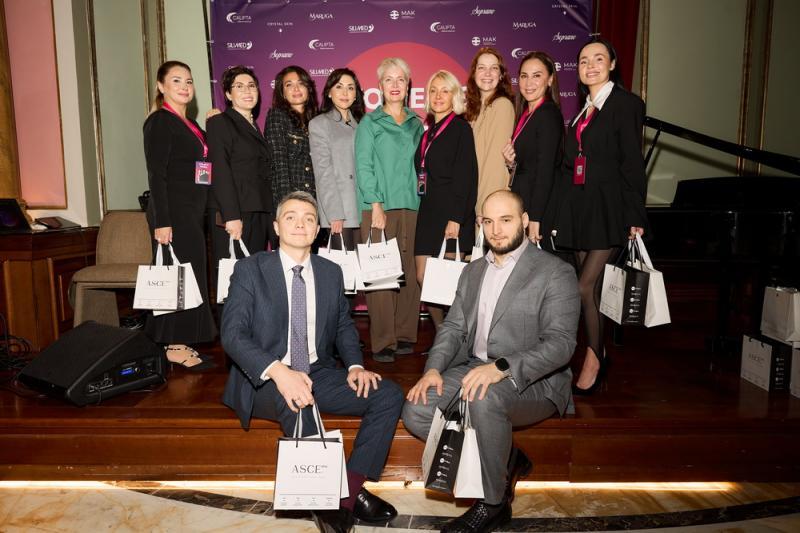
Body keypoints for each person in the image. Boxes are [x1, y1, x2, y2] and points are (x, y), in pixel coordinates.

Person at [221, 191, 404, 532]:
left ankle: (347, 493)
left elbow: (344, 325)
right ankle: (327, 505)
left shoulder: (330, 271)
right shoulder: (250, 270)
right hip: (263, 378)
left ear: (317, 230)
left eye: (308, 219)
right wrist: (279, 371)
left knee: (388, 394)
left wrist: (355, 366)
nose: (299, 224)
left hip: (317, 371)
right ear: (277, 227)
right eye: (290, 217)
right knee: (297, 399)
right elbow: (232, 335)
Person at [403, 190, 580, 533]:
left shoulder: (555, 272)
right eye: (488, 221)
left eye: (506, 220)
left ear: (524, 221)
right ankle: (506, 457)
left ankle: (494, 503)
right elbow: (454, 328)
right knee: (417, 410)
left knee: (483, 398)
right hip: (476, 367)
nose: (496, 230)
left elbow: (561, 345)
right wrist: (433, 370)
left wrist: (502, 368)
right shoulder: (472, 271)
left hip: (535, 380)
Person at [541, 38, 648, 395]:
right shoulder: (582, 111)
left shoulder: (626, 104)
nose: (590, 65)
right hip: (580, 210)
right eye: (584, 60)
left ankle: (594, 358)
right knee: (594, 290)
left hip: (608, 209)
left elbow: (632, 163)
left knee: (583, 286)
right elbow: (569, 164)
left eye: (598, 59)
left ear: (612, 64)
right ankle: (597, 350)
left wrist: (635, 215)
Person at [143, 60, 217, 368]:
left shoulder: (192, 126)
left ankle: (184, 340)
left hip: (191, 212)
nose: (184, 87)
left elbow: (203, 166)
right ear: (161, 86)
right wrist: (162, 222)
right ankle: (172, 345)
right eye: (176, 81)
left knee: (191, 276)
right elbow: (156, 174)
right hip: (171, 212)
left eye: (188, 81)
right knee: (176, 277)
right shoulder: (160, 121)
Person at [355, 57, 424, 363]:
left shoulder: (417, 123)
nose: (395, 85)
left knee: (409, 273)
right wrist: (375, 204)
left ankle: (406, 334)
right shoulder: (370, 123)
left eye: (401, 79)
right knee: (381, 276)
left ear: (408, 85)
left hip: (414, 206)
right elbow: (364, 166)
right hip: (379, 208)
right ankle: (384, 340)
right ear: (380, 85)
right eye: (388, 79)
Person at [414, 70, 478, 327]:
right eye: (433, 90)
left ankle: (454, 338)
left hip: (451, 214)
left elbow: (466, 177)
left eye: (445, 91)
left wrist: (456, 218)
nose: (438, 96)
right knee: (424, 277)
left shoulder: (461, 129)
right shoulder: (428, 133)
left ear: (455, 96)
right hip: (428, 212)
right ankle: (445, 335)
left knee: (449, 284)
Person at [206, 65, 272, 283]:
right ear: (228, 94)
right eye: (239, 86)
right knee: (233, 281)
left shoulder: (253, 126)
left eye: (251, 86)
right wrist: (231, 216)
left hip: (257, 211)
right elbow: (220, 171)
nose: (247, 91)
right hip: (235, 214)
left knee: (253, 279)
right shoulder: (219, 122)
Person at [501, 51, 564, 244]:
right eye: (524, 76)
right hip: (524, 200)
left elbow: (545, 170)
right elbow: (529, 163)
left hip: (539, 208)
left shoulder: (547, 114)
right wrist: (511, 163)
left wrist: (536, 217)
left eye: (537, 76)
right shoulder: (526, 114)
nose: (529, 83)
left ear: (550, 80)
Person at [309, 68, 365, 251]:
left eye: (350, 88)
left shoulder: (363, 125)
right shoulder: (320, 124)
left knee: (368, 267)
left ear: (356, 95)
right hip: (341, 211)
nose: (345, 92)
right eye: (339, 87)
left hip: (364, 208)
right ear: (329, 92)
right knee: (344, 267)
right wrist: (334, 213)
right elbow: (323, 172)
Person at [464, 48, 515, 222]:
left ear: (501, 75)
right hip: (475, 199)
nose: (487, 73)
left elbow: (495, 163)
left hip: (490, 205)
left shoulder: (501, 105)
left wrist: (483, 207)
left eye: (494, 68)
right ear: (474, 74)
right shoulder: (474, 110)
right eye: (481, 68)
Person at [264, 66, 318, 211]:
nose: (296, 89)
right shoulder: (277, 116)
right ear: (282, 92)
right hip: (292, 199)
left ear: (308, 88)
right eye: (289, 85)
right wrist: (287, 204)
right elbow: (279, 164)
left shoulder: (318, 120)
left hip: (317, 200)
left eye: (301, 83)